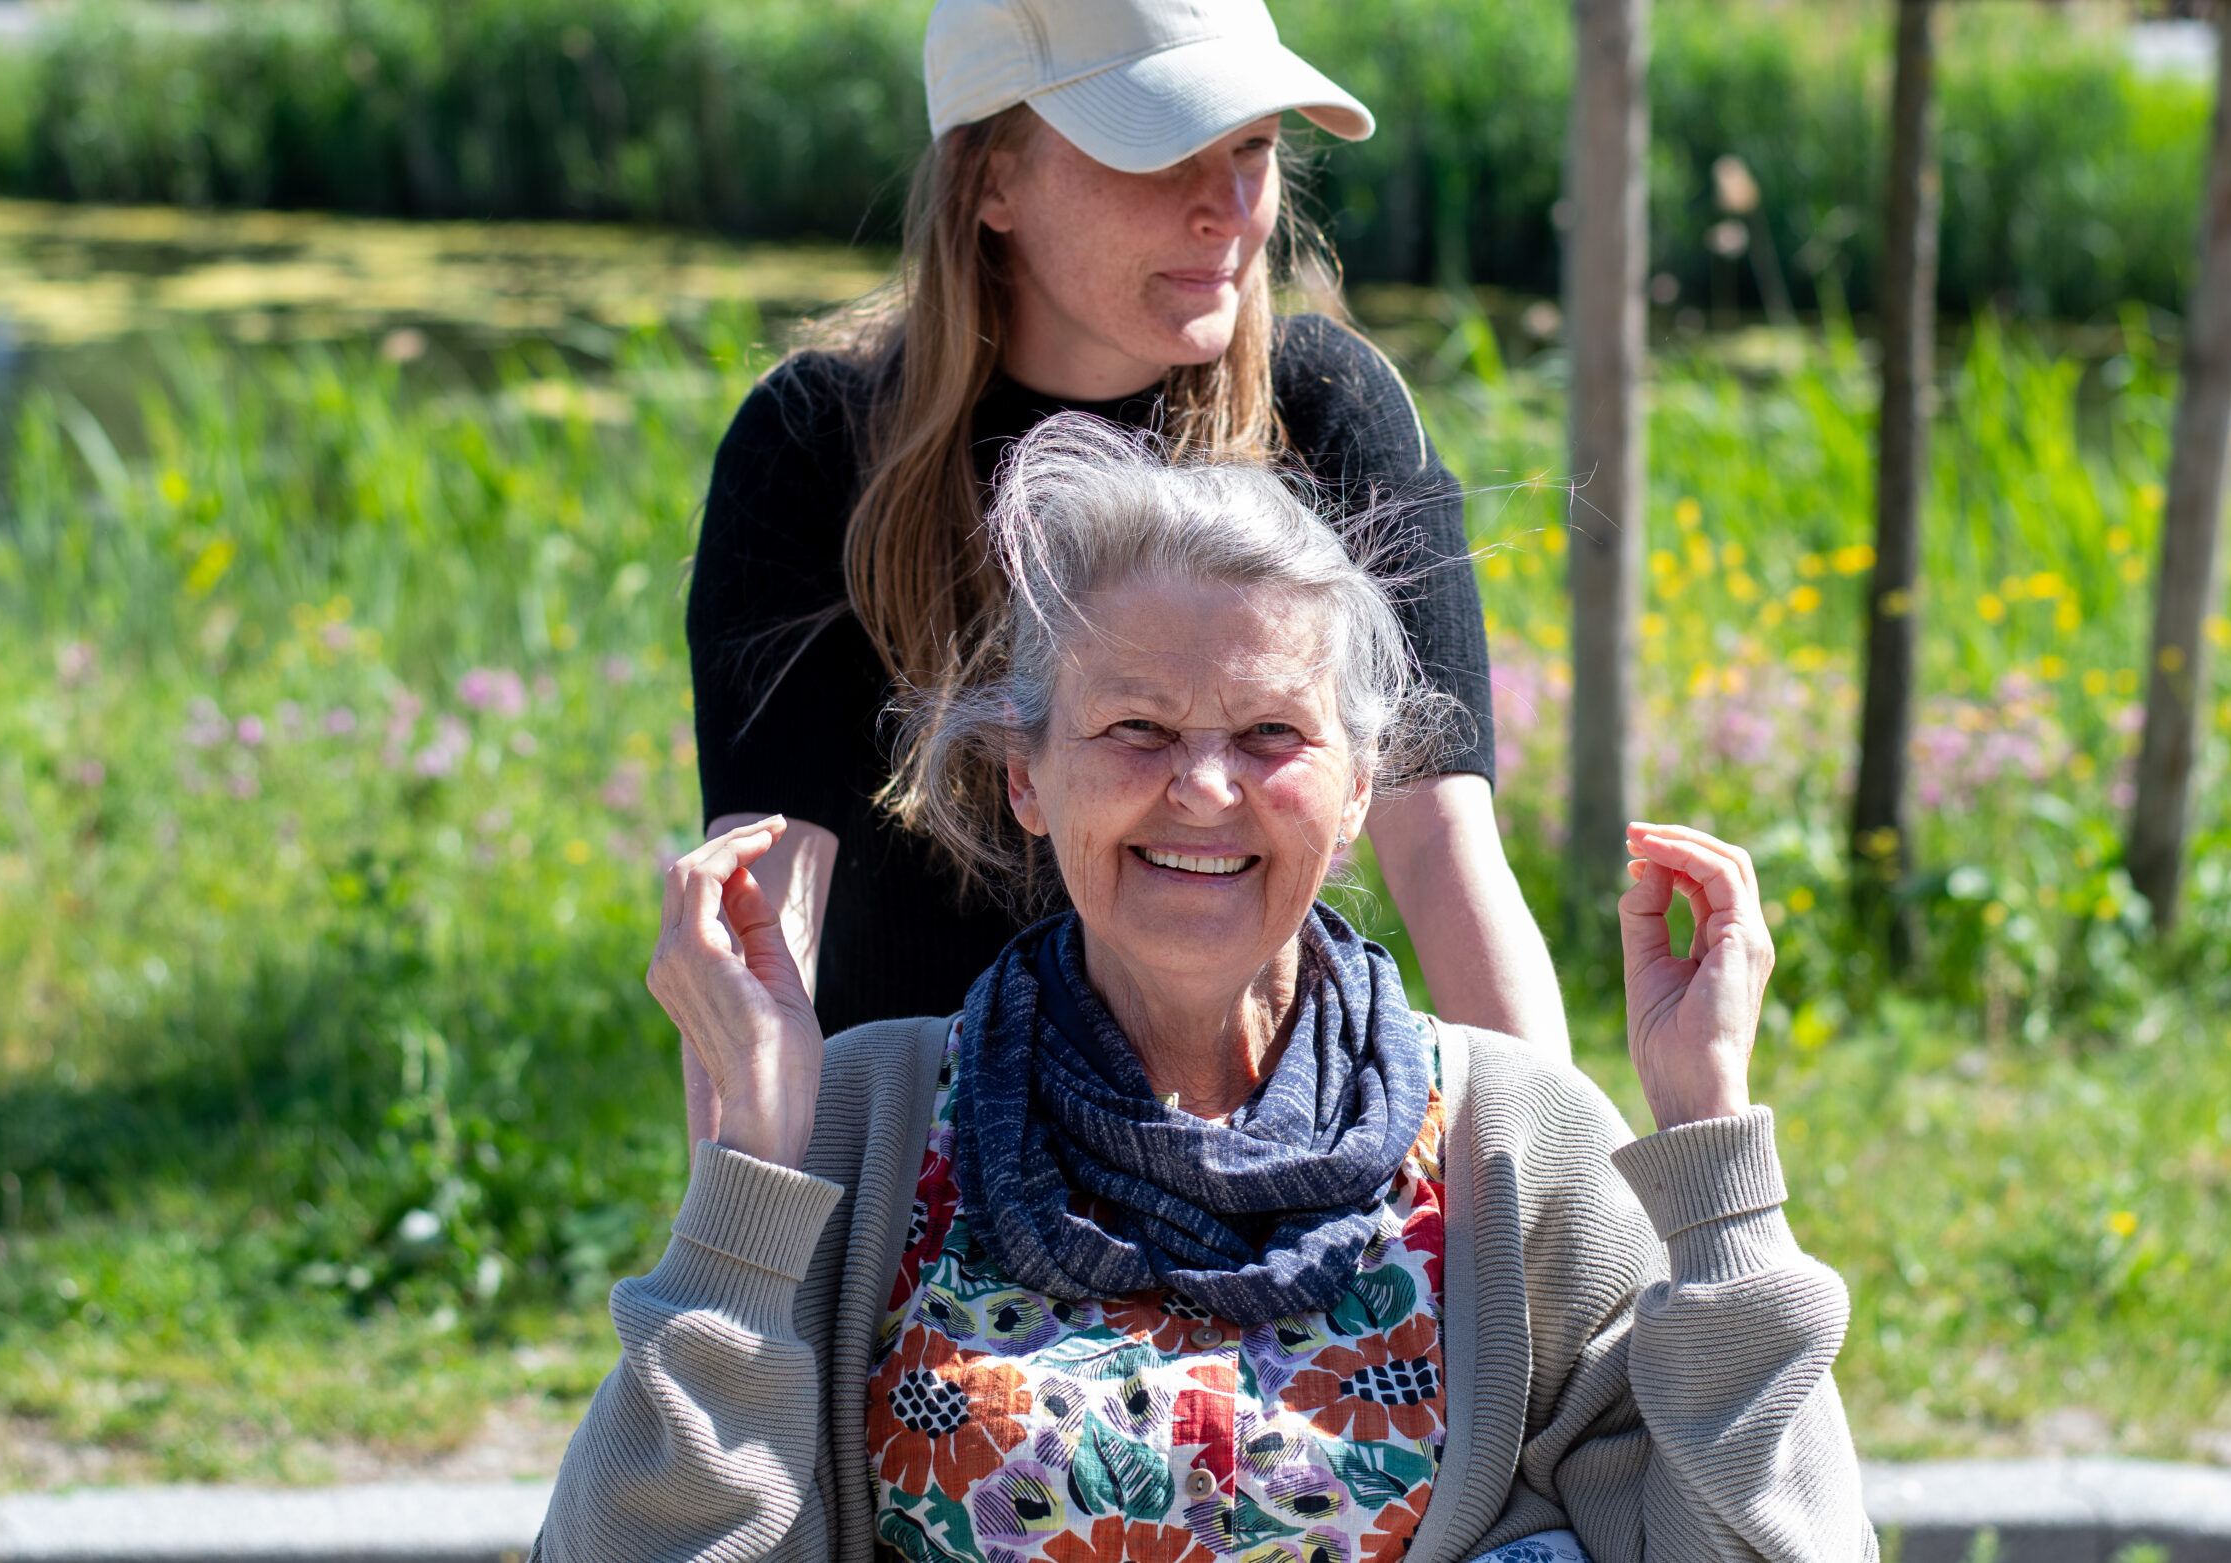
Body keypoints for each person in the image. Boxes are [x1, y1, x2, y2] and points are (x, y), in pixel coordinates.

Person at [535, 423, 1874, 1563]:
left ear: (1358, 787)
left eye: (1272, 733)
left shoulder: (1521, 1145)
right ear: (1026, 777)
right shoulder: (864, 1119)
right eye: (1137, 730)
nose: (1207, 787)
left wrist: (1708, 1150)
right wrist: (749, 1176)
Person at [681, 0, 1565, 1152]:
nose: (1226, 209)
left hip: (1269, 1181)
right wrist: (753, 1274)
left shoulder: (1326, 410)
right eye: (1161, 154)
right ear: (989, 179)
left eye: (1252, 148)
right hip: (921, 1193)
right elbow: (764, 938)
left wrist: (1550, 1220)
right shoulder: (817, 449)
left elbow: (1443, 859)